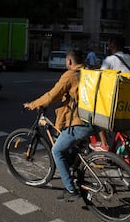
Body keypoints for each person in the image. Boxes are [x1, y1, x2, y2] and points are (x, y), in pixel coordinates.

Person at [24, 49, 92, 202]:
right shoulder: (89, 72)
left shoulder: (70, 75)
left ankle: (70, 189)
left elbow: (51, 96)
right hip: (94, 120)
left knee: (56, 151)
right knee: (70, 147)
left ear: (69, 61)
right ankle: (77, 173)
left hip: (79, 123)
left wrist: (33, 104)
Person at [89, 35, 130, 152]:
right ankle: (124, 146)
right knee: (122, 124)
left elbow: (100, 79)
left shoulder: (110, 60)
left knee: (95, 118)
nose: (108, 46)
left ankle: (104, 145)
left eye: (109, 43)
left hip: (121, 103)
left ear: (113, 45)